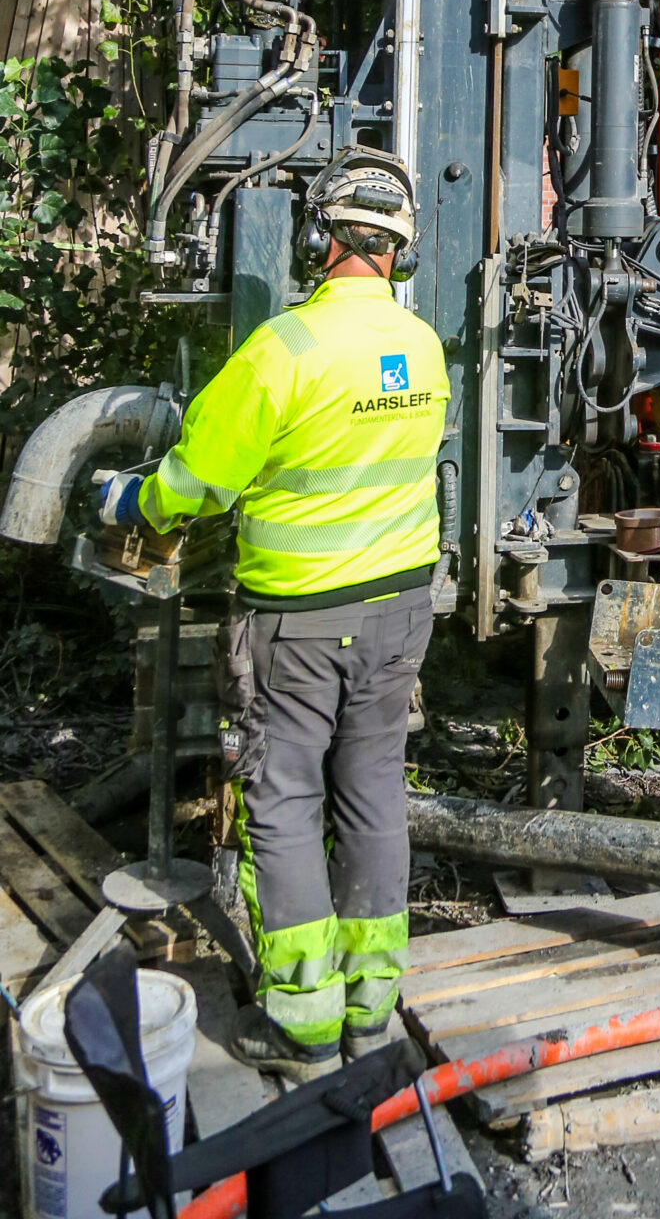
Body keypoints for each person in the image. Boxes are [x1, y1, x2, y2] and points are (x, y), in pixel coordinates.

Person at [97, 149, 448, 1076]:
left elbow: (197, 483)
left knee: (285, 801)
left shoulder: (283, 350)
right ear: (398, 251)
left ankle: (300, 1023)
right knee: (373, 795)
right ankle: (371, 1008)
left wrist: (130, 504)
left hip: (298, 624)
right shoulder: (421, 345)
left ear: (318, 237)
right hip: (401, 611)